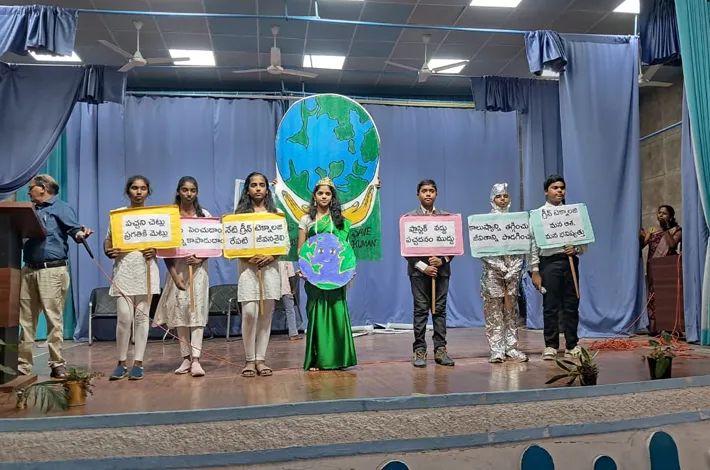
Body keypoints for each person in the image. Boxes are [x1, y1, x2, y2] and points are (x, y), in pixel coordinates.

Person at [18, 174, 94, 378]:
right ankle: (22, 365)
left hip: (52, 271)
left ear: (43, 188)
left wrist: (81, 234)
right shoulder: (28, 210)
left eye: (31, 188)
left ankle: (56, 364)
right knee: (25, 320)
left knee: (53, 318)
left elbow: (75, 231)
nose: (28, 192)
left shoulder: (61, 208)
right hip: (28, 270)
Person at [297, 177, 357, 371]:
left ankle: (339, 359)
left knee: (337, 312)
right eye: (320, 193)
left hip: (336, 275)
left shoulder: (340, 222)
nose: (324, 196)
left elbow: (346, 249)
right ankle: (317, 360)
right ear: (314, 196)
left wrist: (349, 269)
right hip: (314, 275)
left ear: (332, 197)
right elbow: (301, 250)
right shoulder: (306, 220)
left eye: (327, 193)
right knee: (316, 313)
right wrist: (304, 269)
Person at [104, 175, 160, 381]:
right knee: (124, 317)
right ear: (128, 191)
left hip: (147, 271)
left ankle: (138, 362)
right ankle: (121, 362)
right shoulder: (119, 215)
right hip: (124, 271)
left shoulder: (155, 216)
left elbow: (166, 244)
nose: (138, 192)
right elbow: (108, 240)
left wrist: (155, 250)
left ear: (148, 192)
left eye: (143, 188)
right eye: (135, 188)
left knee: (142, 318)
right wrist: (108, 250)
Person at [154, 176, 211, 377]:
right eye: (185, 190)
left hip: (199, 272)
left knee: (197, 314)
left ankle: (196, 359)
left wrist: (200, 258)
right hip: (177, 272)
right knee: (181, 314)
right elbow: (164, 250)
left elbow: (213, 245)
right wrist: (174, 276)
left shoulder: (204, 216)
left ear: (197, 192)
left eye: (192, 190)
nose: (189, 194)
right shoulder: (170, 217)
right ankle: (185, 358)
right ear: (178, 191)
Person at [530, 175, 587, 360]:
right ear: (546, 191)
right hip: (548, 263)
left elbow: (584, 241)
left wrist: (576, 249)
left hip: (569, 261)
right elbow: (533, 245)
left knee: (571, 304)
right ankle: (551, 345)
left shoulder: (573, 214)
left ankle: (572, 345)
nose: (559, 191)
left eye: (562, 187)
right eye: (555, 188)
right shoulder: (538, 215)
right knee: (550, 306)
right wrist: (535, 270)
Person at [404, 179, 455, 368]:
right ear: (418, 194)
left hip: (441, 273)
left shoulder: (447, 218)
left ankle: (440, 349)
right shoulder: (409, 218)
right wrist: (422, 266)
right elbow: (406, 249)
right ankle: (419, 350)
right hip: (418, 274)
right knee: (420, 310)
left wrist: (443, 261)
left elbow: (453, 246)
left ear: (436, 194)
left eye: (431, 190)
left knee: (439, 311)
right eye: (424, 190)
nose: (428, 193)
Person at [235, 172, 281, 378]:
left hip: (270, 270)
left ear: (267, 189)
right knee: (250, 313)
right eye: (254, 185)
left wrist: (271, 256)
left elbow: (284, 244)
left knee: (265, 315)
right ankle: (249, 359)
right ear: (247, 190)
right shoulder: (239, 216)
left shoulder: (276, 214)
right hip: (248, 270)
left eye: (262, 185)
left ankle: (260, 359)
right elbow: (232, 244)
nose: (258, 188)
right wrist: (246, 257)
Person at [479, 183, 528, 363]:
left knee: (511, 311)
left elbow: (522, 247)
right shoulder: (485, 223)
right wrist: (499, 267)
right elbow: (482, 249)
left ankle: (511, 347)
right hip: (493, 274)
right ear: (492, 199)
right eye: (498, 196)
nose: (502, 199)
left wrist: (514, 269)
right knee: (494, 313)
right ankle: (496, 350)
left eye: (505, 196)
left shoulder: (516, 221)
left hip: (512, 275)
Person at [640, 204, 682, 335]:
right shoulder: (653, 231)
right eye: (659, 213)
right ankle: (655, 328)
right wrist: (641, 235)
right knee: (654, 296)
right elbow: (642, 246)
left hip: (668, 267)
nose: (661, 215)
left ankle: (671, 328)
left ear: (671, 216)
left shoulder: (676, 230)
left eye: (664, 213)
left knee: (668, 297)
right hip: (653, 266)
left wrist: (665, 230)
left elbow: (672, 245)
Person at [277, 260, 302, 340]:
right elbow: (291, 274)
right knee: (290, 310)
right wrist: (293, 289)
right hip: (285, 287)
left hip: (270, 289)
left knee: (268, 312)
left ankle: (263, 334)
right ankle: (293, 334)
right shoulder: (287, 258)